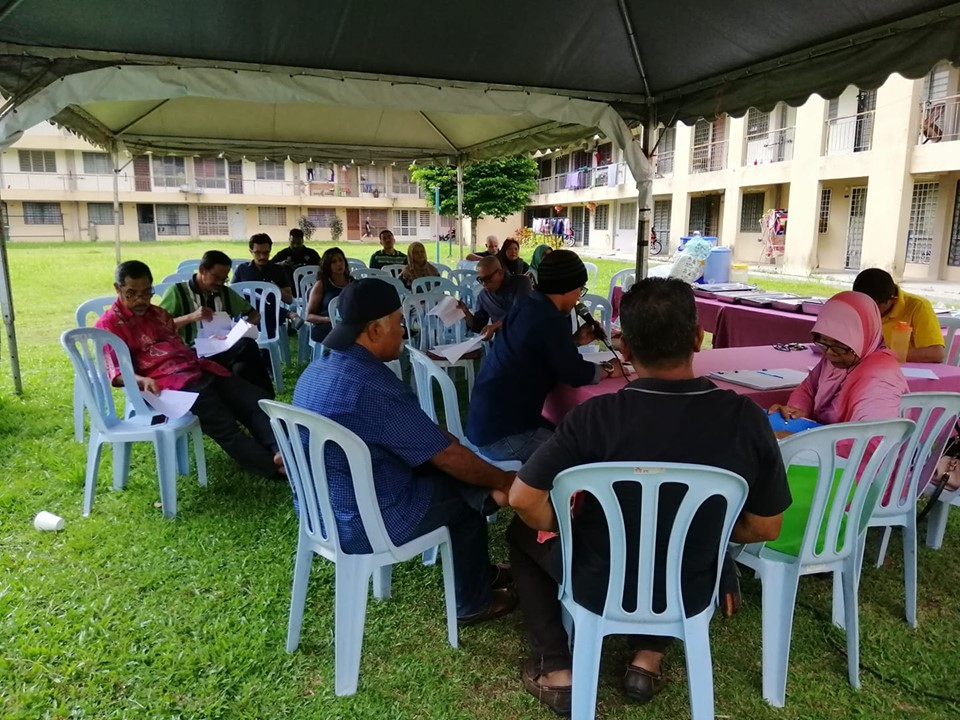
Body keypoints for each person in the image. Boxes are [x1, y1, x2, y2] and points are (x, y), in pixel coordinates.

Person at [506, 277, 791, 714]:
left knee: (520, 537)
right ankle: (647, 656)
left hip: (597, 582)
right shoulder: (745, 418)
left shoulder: (594, 417)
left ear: (625, 349)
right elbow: (766, 525)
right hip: (691, 586)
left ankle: (558, 667)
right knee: (673, 545)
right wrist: (709, 531)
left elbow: (523, 498)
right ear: (698, 339)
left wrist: (561, 527)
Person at [293, 278, 518, 625]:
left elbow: (426, 441)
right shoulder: (375, 387)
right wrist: (503, 479)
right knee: (461, 500)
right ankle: (472, 602)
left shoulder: (316, 371)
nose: (404, 330)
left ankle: (480, 565)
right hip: (367, 521)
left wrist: (449, 450)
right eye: (399, 322)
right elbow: (446, 456)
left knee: (448, 470)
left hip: (321, 513)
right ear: (374, 330)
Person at [96, 261, 282, 479]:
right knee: (221, 420)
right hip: (165, 387)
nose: (140, 300)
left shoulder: (158, 314)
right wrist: (141, 380)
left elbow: (178, 345)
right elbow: (116, 374)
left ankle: (280, 450)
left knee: (252, 398)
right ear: (118, 289)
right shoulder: (108, 326)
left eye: (147, 293)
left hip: (196, 369)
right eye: (132, 294)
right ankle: (273, 468)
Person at [466, 250, 627, 462]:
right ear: (567, 287)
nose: (579, 296)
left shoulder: (528, 304)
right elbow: (575, 373)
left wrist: (574, 340)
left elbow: (536, 350)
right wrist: (608, 369)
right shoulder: (550, 318)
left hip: (485, 423)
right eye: (579, 289)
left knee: (565, 432)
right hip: (505, 435)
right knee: (582, 459)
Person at [771, 291, 909, 425]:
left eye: (840, 345)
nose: (829, 353)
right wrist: (797, 412)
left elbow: (873, 441)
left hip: (851, 447)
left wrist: (807, 441)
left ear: (864, 339)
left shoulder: (880, 378)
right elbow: (808, 388)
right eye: (823, 342)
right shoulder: (837, 359)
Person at [158, 250, 273, 396]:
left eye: (224, 279)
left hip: (223, 348)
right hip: (191, 352)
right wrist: (191, 317)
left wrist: (239, 331)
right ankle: (267, 399)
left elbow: (254, 315)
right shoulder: (177, 292)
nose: (219, 283)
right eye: (216, 277)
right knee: (245, 356)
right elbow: (159, 327)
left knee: (243, 362)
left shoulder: (225, 293)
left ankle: (260, 400)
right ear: (202, 270)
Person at [852, 268, 944, 363]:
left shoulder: (918, 306)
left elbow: (936, 354)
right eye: (864, 304)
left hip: (904, 369)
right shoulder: (854, 306)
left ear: (893, 300)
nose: (868, 310)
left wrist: (884, 355)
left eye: (875, 306)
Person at [233, 233, 304, 337]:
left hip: (268, 316)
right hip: (246, 312)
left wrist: (274, 289)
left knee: (265, 309)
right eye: (258, 253)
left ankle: (266, 344)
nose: (262, 257)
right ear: (251, 252)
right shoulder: (242, 269)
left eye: (266, 253)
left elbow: (289, 299)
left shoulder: (278, 270)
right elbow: (233, 294)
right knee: (257, 304)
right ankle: (288, 314)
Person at [459, 256, 531, 339]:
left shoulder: (521, 283)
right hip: (503, 342)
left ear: (500, 273)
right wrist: (465, 313)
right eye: (481, 280)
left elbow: (520, 313)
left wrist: (495, 326)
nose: (484, 284)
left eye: (487, 279)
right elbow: (478, 326)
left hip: (526, 336)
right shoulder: (483, 296)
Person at [305, 247, 353, 344]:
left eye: (341, 260)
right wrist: (329, 319)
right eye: (334, 262)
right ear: (327, 266)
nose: (339, 264)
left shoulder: (353, 282)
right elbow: (309, 316)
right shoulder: (321, 285)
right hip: (326, 325)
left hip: (350, 323)